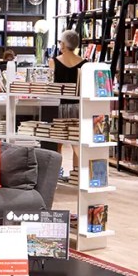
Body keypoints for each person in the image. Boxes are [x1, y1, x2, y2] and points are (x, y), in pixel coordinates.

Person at [53, 29, 86, 176]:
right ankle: (77, 175)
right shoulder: (84, 63)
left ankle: (55, 173)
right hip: (78, 106)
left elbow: (51, 85)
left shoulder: (54, 62)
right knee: (76, 142)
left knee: (57, 142)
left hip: (59, 106)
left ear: (63, 44)